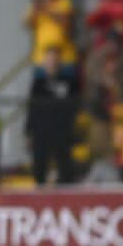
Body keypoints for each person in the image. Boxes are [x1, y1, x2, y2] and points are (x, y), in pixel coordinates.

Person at [26, 45, 78, 185]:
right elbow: (32, 109)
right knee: (39, 165)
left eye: (55, 59)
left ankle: (66, 194)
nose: (52, 62)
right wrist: (29, 131)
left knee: (65, 166)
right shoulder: (38, 83)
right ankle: (39, 194)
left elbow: (73, 106)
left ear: (59, 61)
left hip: (61, 130)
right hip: (41, 131)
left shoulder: (69, 82)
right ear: (44, 62)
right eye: (49, 59)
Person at [23, 0, 76, 68]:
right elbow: (27, 24)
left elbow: (67, 21)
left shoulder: (63, 2)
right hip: (41, 57)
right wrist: (35, 12)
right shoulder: (35, 6)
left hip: (63, 55)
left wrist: (46, 10)